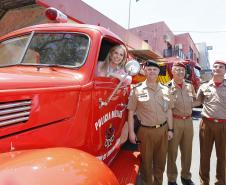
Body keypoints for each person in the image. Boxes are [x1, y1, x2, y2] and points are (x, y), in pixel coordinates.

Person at [128, 60, 174, 185]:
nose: (152, 72)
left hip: (163, 131)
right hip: (145, 132)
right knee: (146, 163)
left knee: (160, 162)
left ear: (159, 72)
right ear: (145, 71)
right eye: (149, 69)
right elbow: (131, 113)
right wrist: (131, 132)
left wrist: (170, 129)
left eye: (154, 69)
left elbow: (169, 111)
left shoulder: (166, 89)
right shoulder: (136, 90)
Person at [196, 60, 226, 185]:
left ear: (224, 71)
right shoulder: (204, 86)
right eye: (215, 66)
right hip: (206, 124)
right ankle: (204, 182)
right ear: (212, 69)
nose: (217, 68)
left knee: (222, 157)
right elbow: (197, 102)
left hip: (223, 125)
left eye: (221, 67)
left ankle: (221, 181)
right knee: (204, 155)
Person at [166, 62, 196, 185]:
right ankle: (172, 179)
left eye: (182, 70)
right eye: (177, 70)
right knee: (172, 152)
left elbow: (194, 101)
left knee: (187, 151)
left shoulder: (190, 86)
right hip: (175, 121)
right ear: (172, 71)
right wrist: (170, 129)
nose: (180, 72)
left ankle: (186, 176)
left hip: (188, 121)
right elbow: (166, 109)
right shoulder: (166, 87)